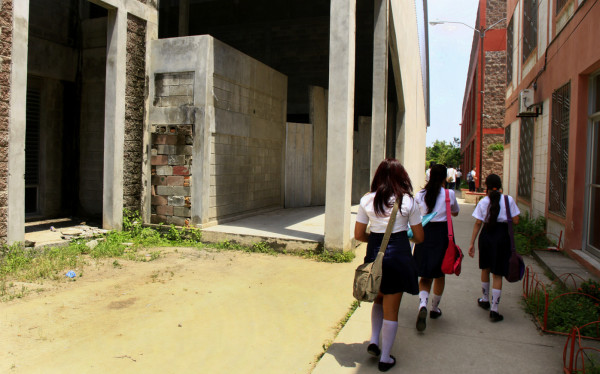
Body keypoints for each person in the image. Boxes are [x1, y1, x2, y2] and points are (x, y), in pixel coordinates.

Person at [354, 158, 424, 372]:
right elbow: (420, 237)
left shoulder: (367, 200)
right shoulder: (408, 201)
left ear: (378, 176)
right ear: (401, 177)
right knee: (392, 309)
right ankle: (385, 358)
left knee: (378, 298)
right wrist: (404, 238)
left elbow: (358, 234)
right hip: (400, 257)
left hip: (375, 254)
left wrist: (376, 242)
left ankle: (374, 340)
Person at [467, 174, 520, 322]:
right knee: (498, 274)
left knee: (486, 268)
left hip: (486, 237)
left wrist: (472, 243)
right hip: (502, 238)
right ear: (500, 186)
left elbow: (478, 223)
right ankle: (495, 309)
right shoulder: (508, 200)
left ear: (487, 187)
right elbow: (516, 220)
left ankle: (485, 299)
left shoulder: (484, 202)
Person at [413, 164, 459, 332]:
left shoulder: (420, 194)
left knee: (425, 275)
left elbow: (416, 214)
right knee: (440, 273)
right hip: (442, 236)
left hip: (424, 235)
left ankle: (422, 304)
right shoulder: (449, 194)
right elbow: (455, 212)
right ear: (444, 178)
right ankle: (434, 308)